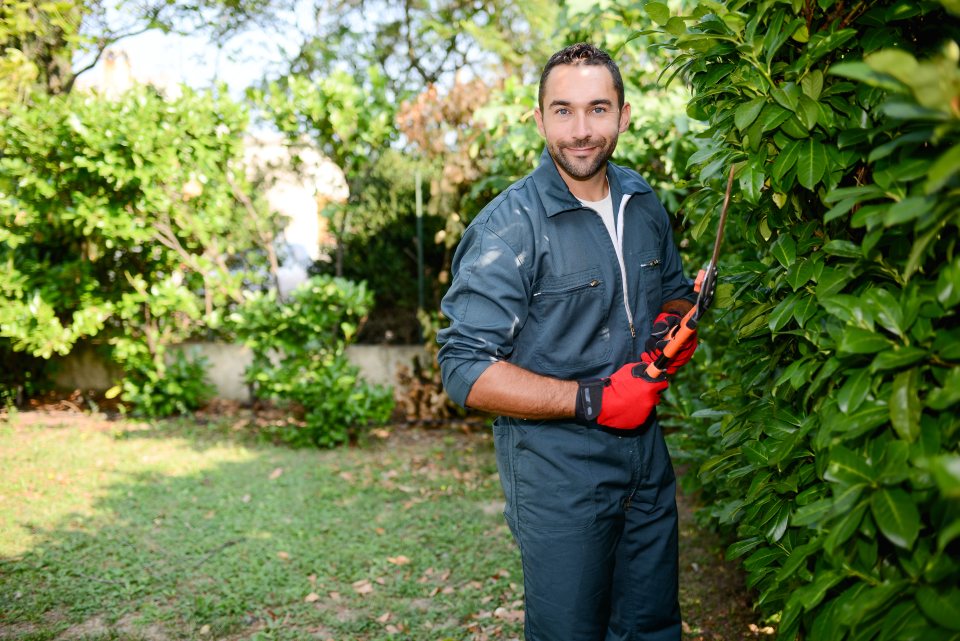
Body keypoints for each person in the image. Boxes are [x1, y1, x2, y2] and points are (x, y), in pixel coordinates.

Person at [437, 43, 698, 641]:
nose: (581, 131)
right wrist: (594, 401)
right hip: (557, 473)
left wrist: (675, 326)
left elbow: (674, 293)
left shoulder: (642, 202)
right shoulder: (510, 227)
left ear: (624, 116)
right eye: (563, 111)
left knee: (652, 627)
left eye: (598, 109)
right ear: (538, 119)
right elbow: (464, 367)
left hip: (646, 461)